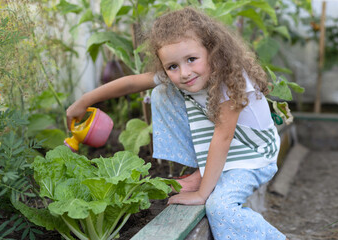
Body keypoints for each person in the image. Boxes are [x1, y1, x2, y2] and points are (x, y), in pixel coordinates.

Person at [66, 7, 287, 240]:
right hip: (230, 148)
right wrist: (84, 100)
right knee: (162, 92)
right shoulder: (189, 74)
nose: (184, 73)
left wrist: (203, 195)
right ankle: (201, 172)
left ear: (212, 51)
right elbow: (132, 83)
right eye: (173, 66)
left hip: (254, 156)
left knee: (220, 208)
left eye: (192, 59)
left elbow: (223, 137)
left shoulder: (231, 81)